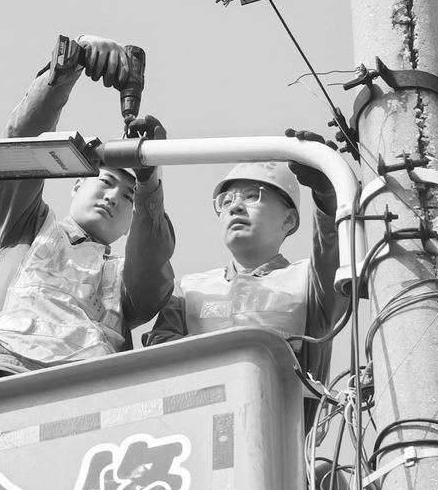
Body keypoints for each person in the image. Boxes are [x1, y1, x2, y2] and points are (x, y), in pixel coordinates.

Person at [0, 35, 175, 383]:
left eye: (129, 197)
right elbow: (25, 144)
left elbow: (152, 266)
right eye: (106, 181)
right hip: (8, 374)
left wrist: (149, 181)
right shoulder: (25, 228)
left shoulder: (123, 278)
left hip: (91, 394)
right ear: (77, 183)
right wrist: (68, 66)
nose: (113, 197)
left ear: (131, 223)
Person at [143, 157, 347, 387]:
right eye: (226, 201)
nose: (235, 207)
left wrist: (326, 195)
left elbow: (332, 250)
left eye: (251, 196)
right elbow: (158, 355)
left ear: (288, 219)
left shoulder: (308, 282)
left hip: (286, 411)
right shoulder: (188, 291)